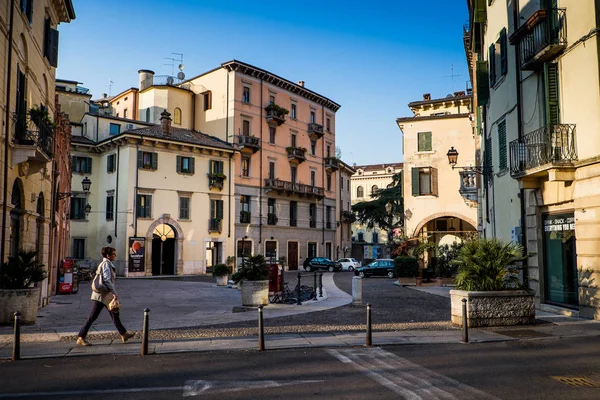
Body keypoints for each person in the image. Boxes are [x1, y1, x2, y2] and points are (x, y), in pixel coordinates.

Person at [77, 246, 134, 346]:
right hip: (101, 295)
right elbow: (107, 280)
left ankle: (123, 334)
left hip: (105, 294)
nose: (115, 256)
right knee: (92, 316)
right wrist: (114, 292)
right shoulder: (106, 264)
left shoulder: (107, 264)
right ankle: (81, 337)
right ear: (108, 255)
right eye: (113, 254)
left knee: (115, 313)